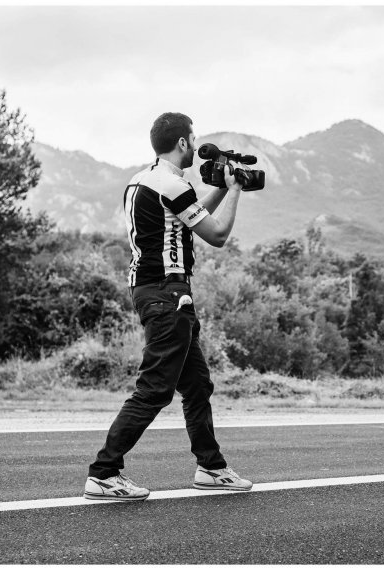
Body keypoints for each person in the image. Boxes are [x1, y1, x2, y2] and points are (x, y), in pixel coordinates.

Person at [84, 112, 251, 501]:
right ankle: (104, 472)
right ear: (182, 142)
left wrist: (222, 188)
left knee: (197, 386)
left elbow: (188, 216)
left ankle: (211, 467)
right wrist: (237, 190)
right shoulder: (172, 184)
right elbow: (217, 233)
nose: (195, 147)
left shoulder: (144, 180)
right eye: (193, 141)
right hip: (168, 294)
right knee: (155, 389)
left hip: (151, 290)